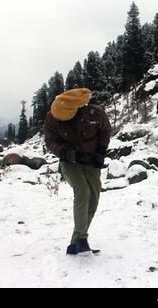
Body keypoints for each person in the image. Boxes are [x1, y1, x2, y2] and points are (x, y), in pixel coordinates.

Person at [44, 88, 112, 255]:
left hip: (91, 162)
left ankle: (76, 243)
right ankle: (82, 238)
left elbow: (105, 131)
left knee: (94, 197)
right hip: (69, 162)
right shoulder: (52, 117)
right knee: (82, 192)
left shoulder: (95, 113)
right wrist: (64, 152)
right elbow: (50, 141)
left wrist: (101, 152)